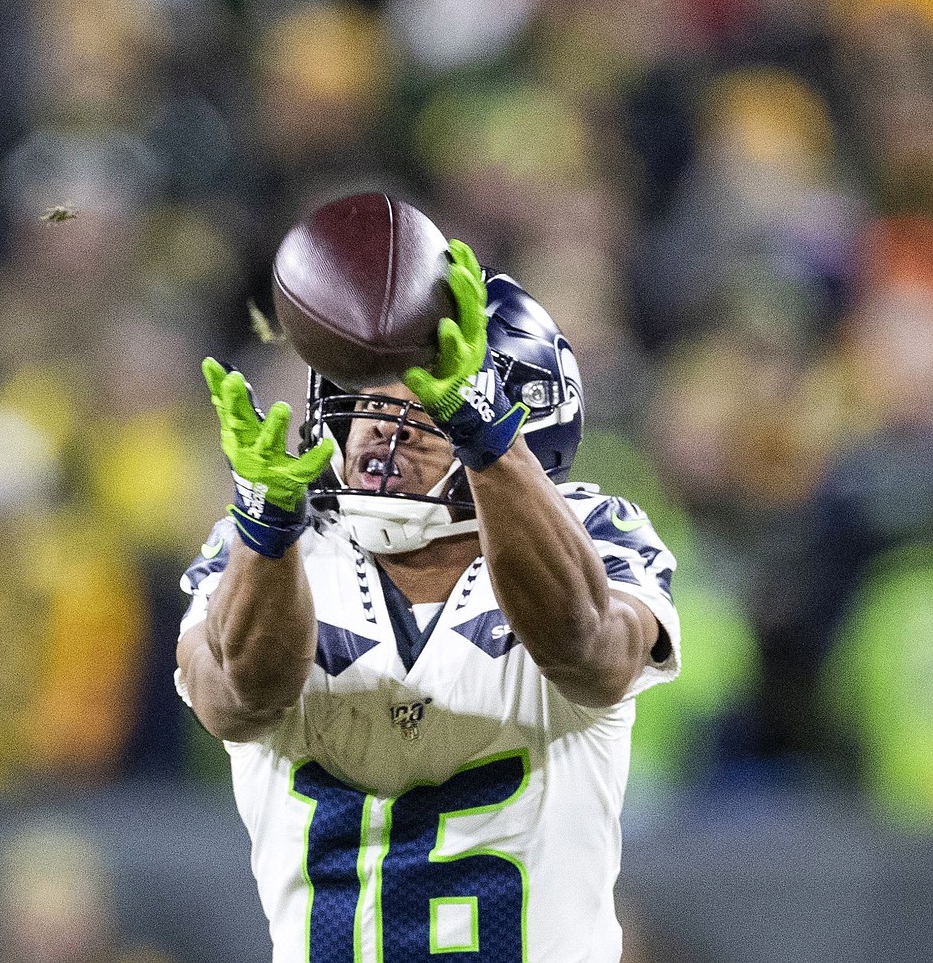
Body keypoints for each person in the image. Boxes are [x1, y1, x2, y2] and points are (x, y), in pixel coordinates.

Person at [175, 218, 680, 962]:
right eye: (365, 397)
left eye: (422, 402)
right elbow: (233, 702)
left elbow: (593, 653)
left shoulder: (593, 530)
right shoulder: (271, 551)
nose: (382, 427)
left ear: (520, 416)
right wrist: (265, 529)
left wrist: (486, 438)